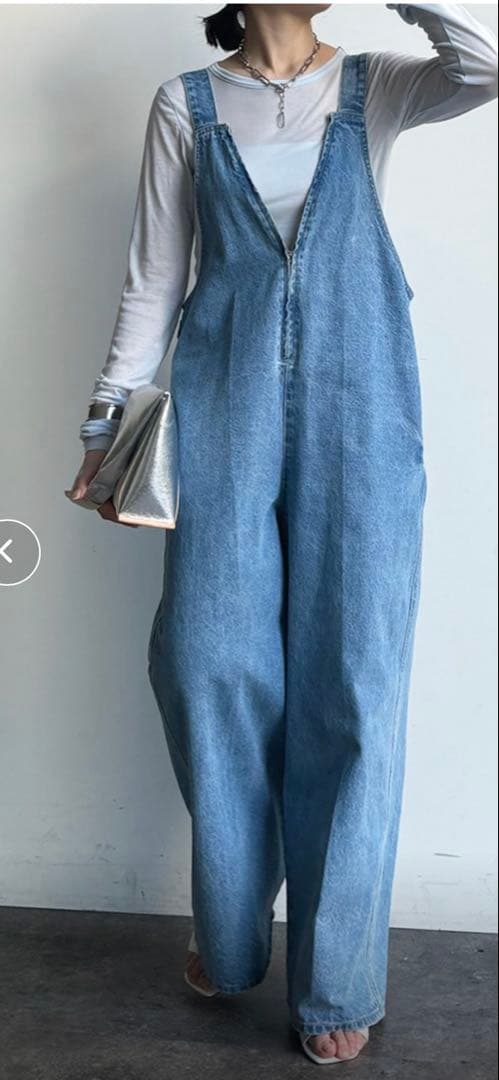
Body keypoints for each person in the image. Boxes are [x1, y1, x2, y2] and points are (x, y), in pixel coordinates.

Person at [67, 3, 498, 1065]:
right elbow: (154, 277)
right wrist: (104, 424)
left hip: (364, 410)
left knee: (354, 683)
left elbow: (483, 67)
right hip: (222, 409)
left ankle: (337, 976)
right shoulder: (187, 104)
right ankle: (229, 929)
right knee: (206, 663)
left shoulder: (375, 87)